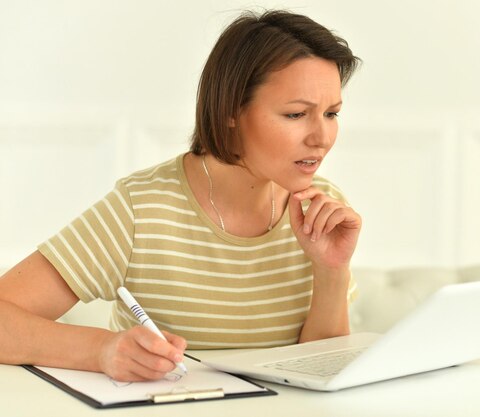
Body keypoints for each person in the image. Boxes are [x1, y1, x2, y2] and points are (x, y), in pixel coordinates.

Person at [0, 9, 361, 382]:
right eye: (297, 114)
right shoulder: (142, 209)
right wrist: (102, 350)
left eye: (332, 114)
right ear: (231, 110)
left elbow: (320, 368)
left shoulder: (323, 208)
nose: (322, 138)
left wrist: (331, 270)